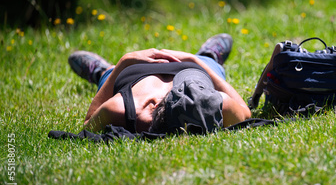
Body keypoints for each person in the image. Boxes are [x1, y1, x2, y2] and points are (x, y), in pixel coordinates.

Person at [68, 34, 251, 134]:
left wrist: (125, 62)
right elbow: (245, 110)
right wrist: (194, 61)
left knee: (109, 76)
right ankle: (209, 56)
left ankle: (101, 71)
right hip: (192, 67)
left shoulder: (120, 109)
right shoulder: (216, 105)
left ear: (152, 104)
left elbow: (87, 125)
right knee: (211, 65)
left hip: (133, 73)